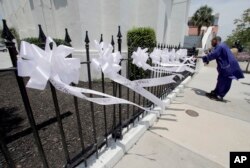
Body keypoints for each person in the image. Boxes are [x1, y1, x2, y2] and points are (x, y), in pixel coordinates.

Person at [202, 36, 244, 101]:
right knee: (221, 80)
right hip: (228, 66)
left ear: (215, 40)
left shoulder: (220, 46)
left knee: (223, 81)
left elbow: (214, 54)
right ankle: (216, 93)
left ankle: (219, 95)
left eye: (212, 41)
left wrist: (204, 58)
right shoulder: (223, 45)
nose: (211, 42)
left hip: (227, 67)